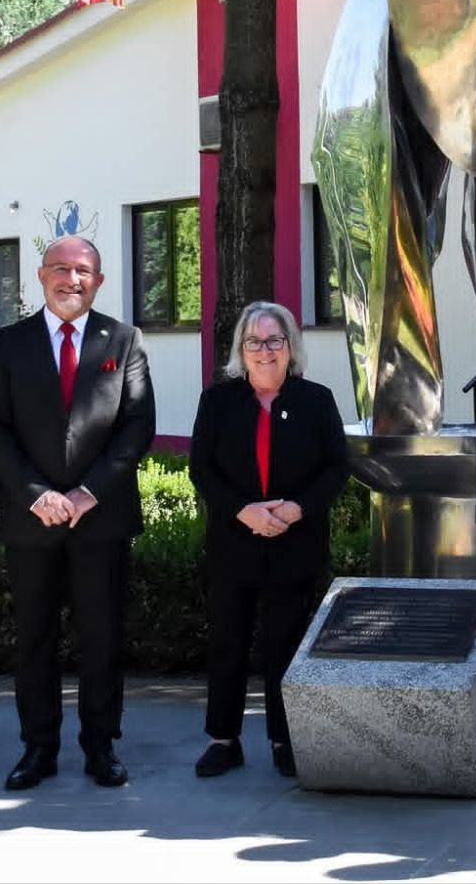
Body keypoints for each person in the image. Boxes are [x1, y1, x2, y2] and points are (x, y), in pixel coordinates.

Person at [0, 235, 155, 791]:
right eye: (60, 268)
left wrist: (86, 493)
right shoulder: (7, 344)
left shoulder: (123, 340)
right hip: (31, 519)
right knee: (34, 637)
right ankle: (39, 747)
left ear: (98, 281)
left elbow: (136, 427)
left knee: (102, 637)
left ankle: (101, 745)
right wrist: (37, 493)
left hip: (100, 519)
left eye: (82, 270)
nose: (70, 279)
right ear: (40, 275)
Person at [187, 302, 349, 779]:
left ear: (290, 346)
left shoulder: (316, 400)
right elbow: (202, 469)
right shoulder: (218, 401)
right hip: (234, 542)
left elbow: (336, 467)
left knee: (286, 644)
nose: (265, 350)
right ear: (241, 349)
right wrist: (245, 511)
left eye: (274, 340)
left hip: (295, 543)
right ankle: (223, 739)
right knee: (227, 642)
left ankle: (285, 738)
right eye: (254, 341)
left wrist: (296, 508)